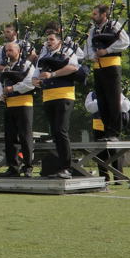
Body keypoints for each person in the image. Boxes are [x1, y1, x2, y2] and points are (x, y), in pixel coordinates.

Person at [34, 29, 80, 179]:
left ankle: (67, 167)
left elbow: (73, 67)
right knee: (55, 133)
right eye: (47, 39)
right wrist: (37, 81)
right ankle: (60, 167)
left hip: (64, 95)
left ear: (59, 41)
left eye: (52, 39)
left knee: (61, 130)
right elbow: (35, 76)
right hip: (48, 97)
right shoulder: (44, 56)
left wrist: (52, 74)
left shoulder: (67, 52)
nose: (48, 42)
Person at [86, 3, 130, 140]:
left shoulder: (114, 26)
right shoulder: (93, 30)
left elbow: (125, 42)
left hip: (112, 65)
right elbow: (87, 47)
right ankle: (106, 130)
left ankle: (114, 132)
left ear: (103, 14)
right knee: (102, 100)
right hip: (98, 67)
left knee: (113, 99)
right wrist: (92, 55)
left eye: (95, 14)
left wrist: (107, 50)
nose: (93, 16)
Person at [0, 42, 37, 177]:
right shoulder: (6, 67)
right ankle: (12, 168)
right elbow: (0, 84)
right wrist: (0, 95)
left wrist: (13, 88)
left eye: (11, 50)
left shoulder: (26, 65)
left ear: (18, 51)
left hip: (24, 104)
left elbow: (31, 83)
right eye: (6, 50)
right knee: (10, 138)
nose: (8, 53)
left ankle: (28, 166)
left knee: (25, 136)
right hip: (9, 105)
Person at [84, 89, 130, 180]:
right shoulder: (91, 94)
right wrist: (105, 102)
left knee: (116, 152)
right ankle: (104, 178)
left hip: (113, 128)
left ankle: (118, 178)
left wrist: (114, 102)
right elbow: (90, 108)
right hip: (98, 127)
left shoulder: (116, 92)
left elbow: (125, 107)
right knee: (101, 153)